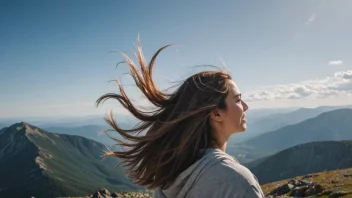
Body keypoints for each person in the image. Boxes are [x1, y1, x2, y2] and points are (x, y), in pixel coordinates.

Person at [96, 39, 265, 198]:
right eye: (237, 99)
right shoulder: (237, 182)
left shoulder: (169, 175)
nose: (245, 106)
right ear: (216, 113)